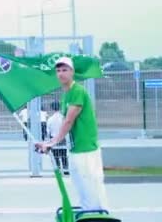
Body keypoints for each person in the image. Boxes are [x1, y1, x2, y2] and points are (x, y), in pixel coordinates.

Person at [35, 57, 109, 211]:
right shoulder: (66, 95)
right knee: (81, 188)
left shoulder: (77, 91)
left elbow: (69, 121)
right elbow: (61, 125)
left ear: (72, 72)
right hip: (75, 149)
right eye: (58, 71)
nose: (61, 74)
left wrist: (53, 142)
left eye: (65, 70)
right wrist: (48, 142)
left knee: (91, 189)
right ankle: (88, 217)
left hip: (86, 149)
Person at [46, 100, 69, 175]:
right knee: (64, 155)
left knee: (56, 155)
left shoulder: (50, 119)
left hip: (54, 138)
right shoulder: (63, 118)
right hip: (62, 138)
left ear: (52, 108)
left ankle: (58, 169)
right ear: (59, 107)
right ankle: (66, 169)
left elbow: (48, 131)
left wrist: (49, 141)